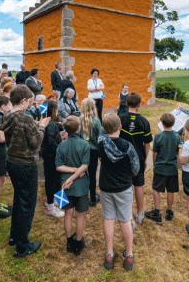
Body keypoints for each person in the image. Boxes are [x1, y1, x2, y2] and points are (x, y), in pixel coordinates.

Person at [0, 85, 50, 258]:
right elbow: (36, 142)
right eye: (29, 101)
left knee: (19, 200)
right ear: (23, 101)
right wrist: (41, 126)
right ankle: (23, 245)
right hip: (25, 164)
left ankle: (15, 235)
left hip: (11, 161)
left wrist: (33, 126)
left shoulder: (7, 115)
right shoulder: (26, 118)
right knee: (27, 204)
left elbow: (13, 130)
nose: (30, 104)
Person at [98, 113, 139, 271]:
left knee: (109, 219)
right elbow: (135, 169)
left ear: (103, 128)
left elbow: (102, 132)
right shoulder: (127, 146)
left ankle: (109, 253)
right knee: (125, 220)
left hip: (106, 186)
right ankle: (128, 255)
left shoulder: (101, 143)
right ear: (120, 127)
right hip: (123, 187)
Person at [55, 116, 90, 256]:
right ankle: (78, 242)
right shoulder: (85, 145)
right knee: (80, 215)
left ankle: (69, 241)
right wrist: (77, 170)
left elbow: (58, 166)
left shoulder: (61, 145)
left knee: (68, 214)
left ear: (65, 129)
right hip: (81, 186)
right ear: (79, 128)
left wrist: (70, 176)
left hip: (64, 185)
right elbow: (85, 166)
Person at [119, 93, 152, 226]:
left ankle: (128, 216)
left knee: (126, 187)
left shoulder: (120, 118)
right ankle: (139, 213)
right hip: (138, 157)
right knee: (139, 185)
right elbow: (147, 143)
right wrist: (144, 158)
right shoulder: (144, 121)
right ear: (139, 105)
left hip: (123, 158)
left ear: (126, 104)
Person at [144, 112, 181, 225]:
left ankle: (157, 212)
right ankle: (169, 212)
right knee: (170, 190)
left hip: (160, 167)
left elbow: (154, 153)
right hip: (172, 168)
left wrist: (155, 164)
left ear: (162, 123)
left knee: (156, 189)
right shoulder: (177, 136)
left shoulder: (159, 137)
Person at [40, 100, 65, 218]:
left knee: (57, 179)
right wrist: (60, 148)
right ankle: (50, 206)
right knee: (51, 181)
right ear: (52, 110)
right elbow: (50, 142)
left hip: (49, 156)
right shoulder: (51, 124)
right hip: (52, 157)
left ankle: (58, 200)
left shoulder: (47, 123)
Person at [79, 98, 102, 207]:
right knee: (92, 175)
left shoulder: (78, 120)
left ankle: (82, 198)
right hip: (93, 152)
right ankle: (92, 198)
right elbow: (99, 139)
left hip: (81, 151)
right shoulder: (96, 122)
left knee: (81, 174)